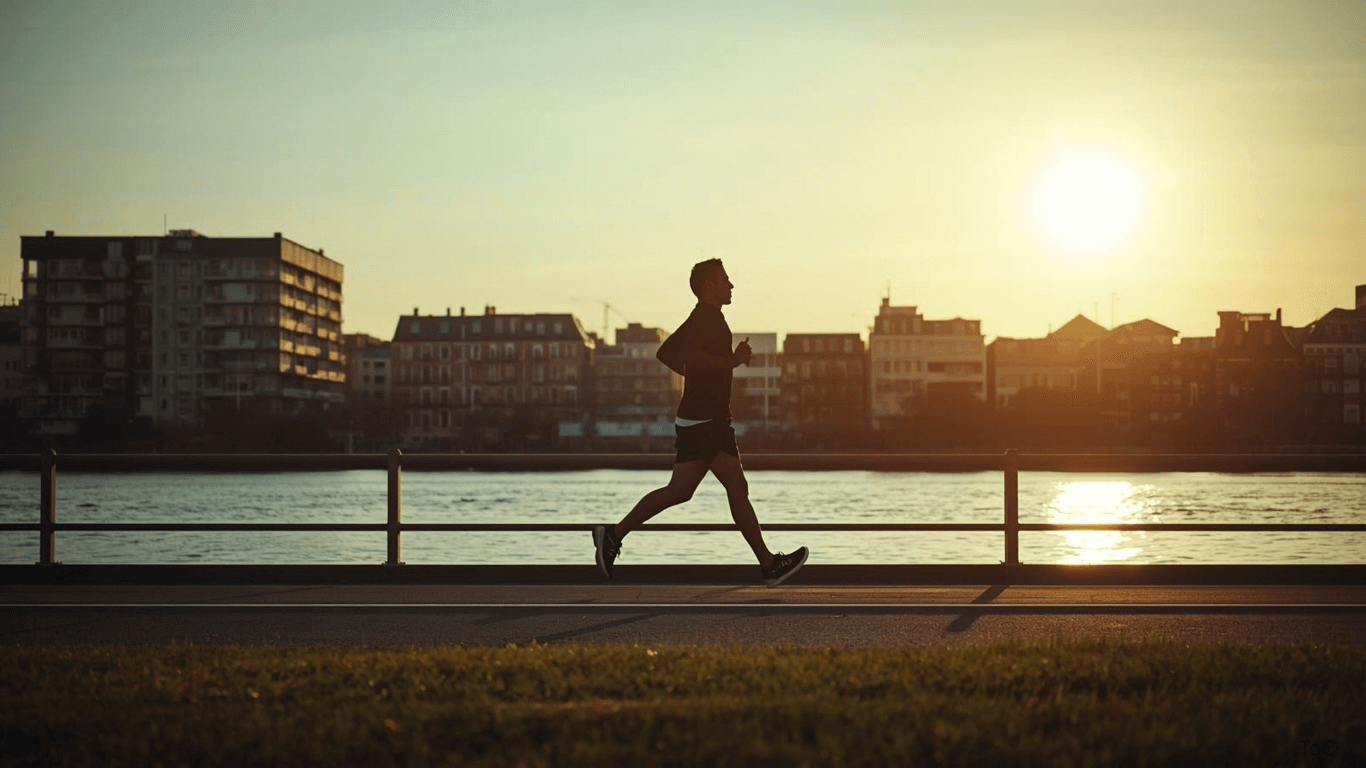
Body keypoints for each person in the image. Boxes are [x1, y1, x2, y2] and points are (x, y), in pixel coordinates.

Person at [593, 258, 809, 586]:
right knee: (736, 487)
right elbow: (691, 357)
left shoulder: (700, 317)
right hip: (707, 420)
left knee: (680, 490)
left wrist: (709, 370)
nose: (731, 285)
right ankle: (768, 565)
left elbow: (667, 354)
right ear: (709, 285)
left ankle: (613, 535)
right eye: (725, 279)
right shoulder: (708, 319)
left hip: (698, 419)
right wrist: (732, 361)